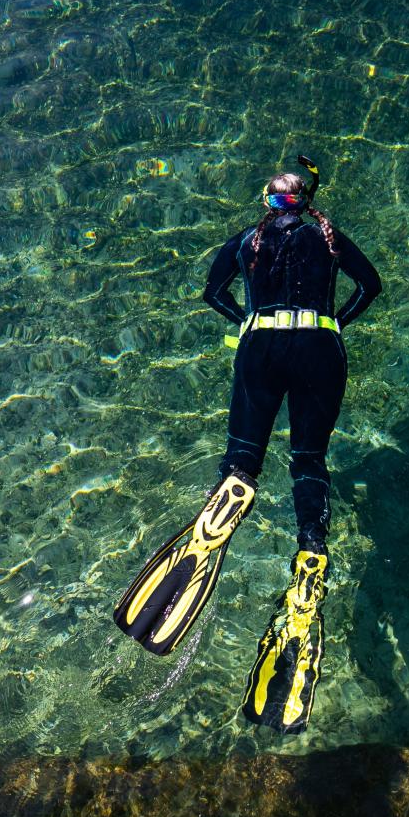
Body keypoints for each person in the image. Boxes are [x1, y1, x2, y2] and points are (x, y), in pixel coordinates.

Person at [114, 156, 381, 733]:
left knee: (243, 461)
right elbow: (371, 287)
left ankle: (223, 509)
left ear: (268, 202)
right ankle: (309, 557)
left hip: (259, 343)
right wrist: (334, 324)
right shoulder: (328, 236)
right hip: (319, 344)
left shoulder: (246, 241)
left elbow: (212, 292)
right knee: (308, 461)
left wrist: (247, 319)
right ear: (307, 205)